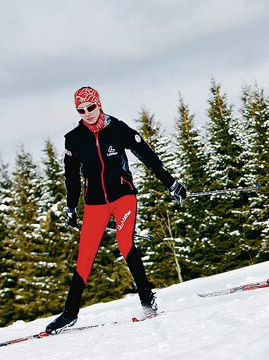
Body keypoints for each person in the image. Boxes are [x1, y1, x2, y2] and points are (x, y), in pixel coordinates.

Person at [46, 86, 187, 334]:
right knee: (85, 256)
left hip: (123, 197)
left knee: (125, 242)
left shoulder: (118, 129)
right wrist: (70, 207)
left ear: (99, 104)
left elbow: (148, 156)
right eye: (81, 110)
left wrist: (171, 183)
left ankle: (147, 298)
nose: (87, 113)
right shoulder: (74, 139)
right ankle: (69, 313)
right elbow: (71, 178)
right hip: (95, 204)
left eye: (91, 107)